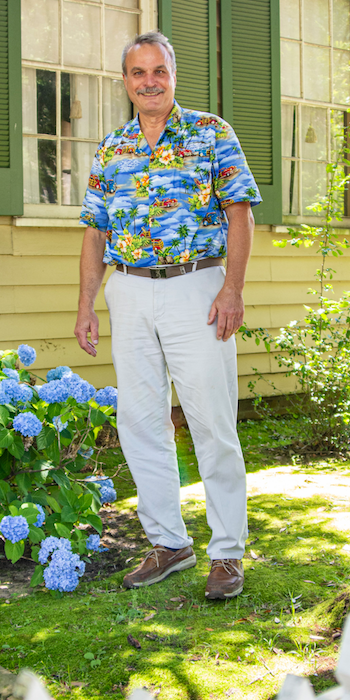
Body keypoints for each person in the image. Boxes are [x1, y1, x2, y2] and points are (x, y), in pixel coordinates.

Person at [75, 31, 261, 599]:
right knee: (140, 420)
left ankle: (227, 552)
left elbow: (240, 212)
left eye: (159, 70)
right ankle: (168, 543)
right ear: (125, 81)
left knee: (211, 421)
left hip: (196, 288)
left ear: (173, 75)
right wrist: (86, 303)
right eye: (138, 72)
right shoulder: (112, 149)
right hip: (129, 290)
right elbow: (95, 231)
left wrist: (232, 289)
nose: (149, 81)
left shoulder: (211, 134)